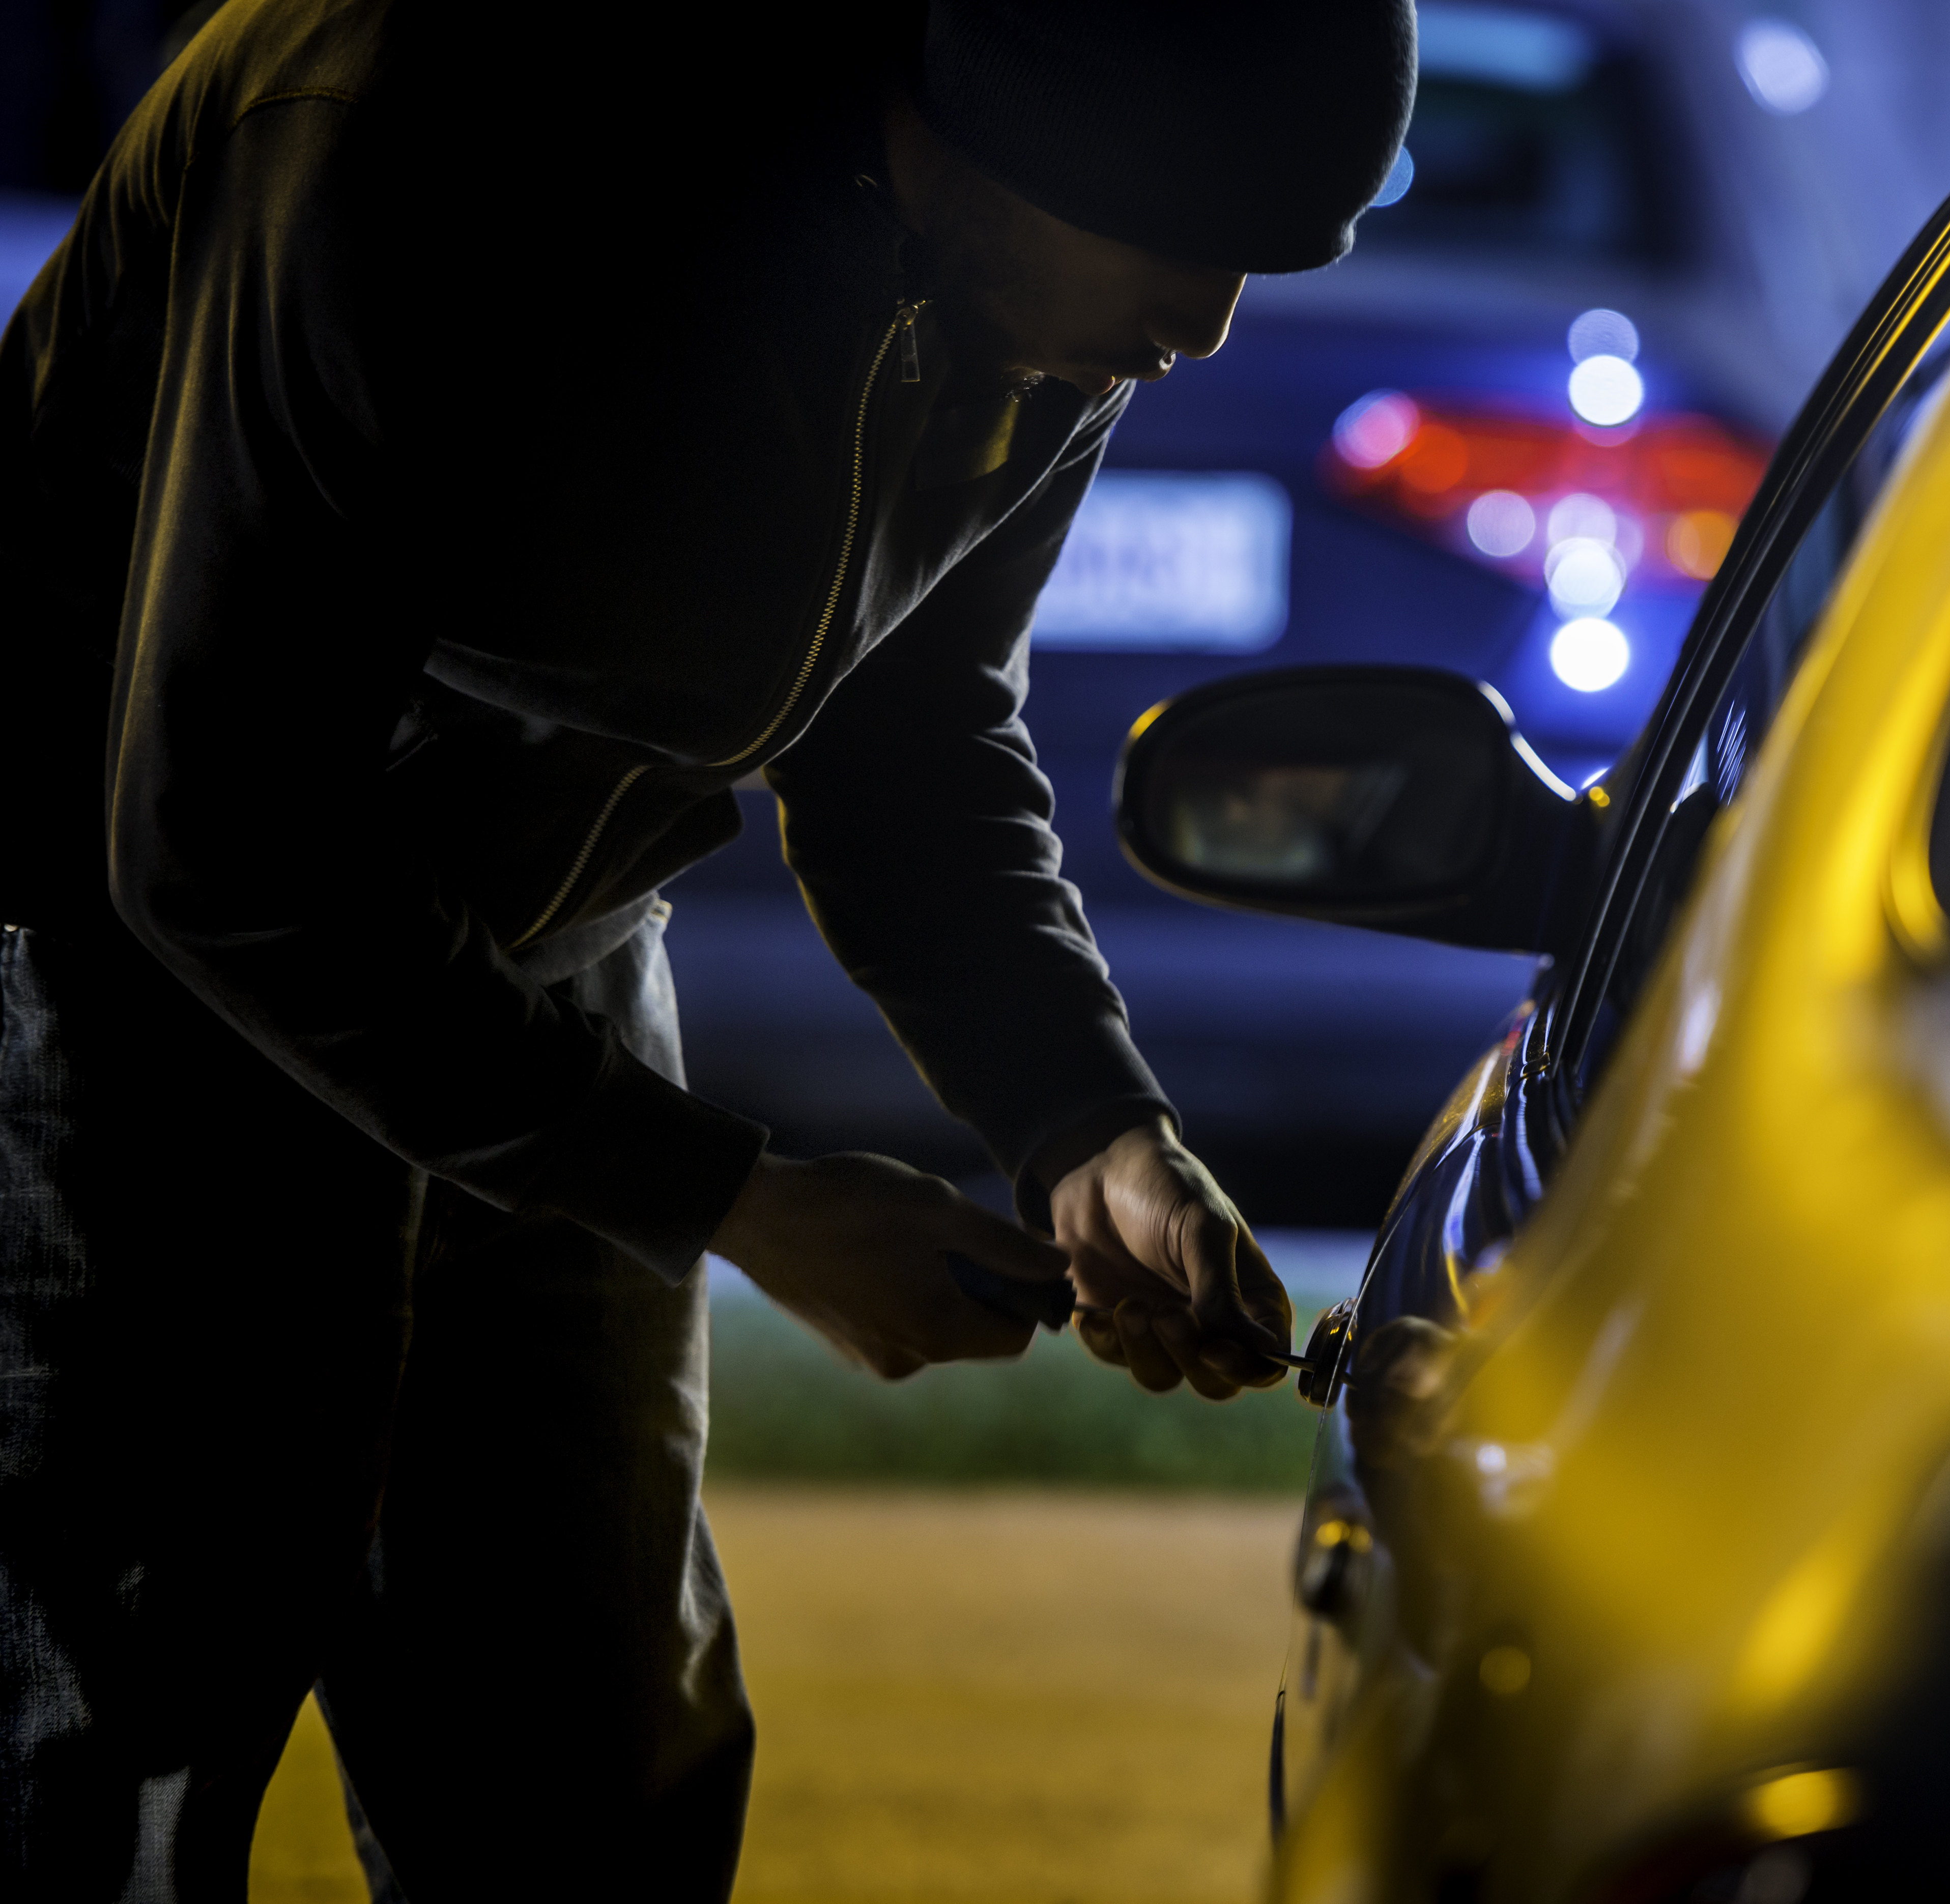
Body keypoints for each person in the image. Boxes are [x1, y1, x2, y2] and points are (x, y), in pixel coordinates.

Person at [0, 0, 1417, 1895]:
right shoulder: (407, 129)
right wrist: (733, 1198)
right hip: (117, 1001)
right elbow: (219, 837)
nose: (1211, 322)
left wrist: (1090, 1128)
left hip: (556, 966)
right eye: (1188, 244)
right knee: (115, 1762)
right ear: (1003, 123)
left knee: (591, 1768)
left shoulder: (1047, 308)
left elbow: (913, 749)